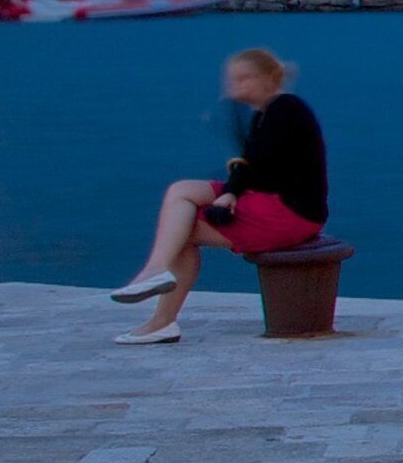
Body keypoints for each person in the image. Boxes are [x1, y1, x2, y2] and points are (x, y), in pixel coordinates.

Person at [108, 48, 326, 344]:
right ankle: (156, 276)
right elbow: (251, 166)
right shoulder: (264, 116)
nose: (235, 87)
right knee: (181, 191)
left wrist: (231, 194)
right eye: (233, 80)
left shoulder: (287, 109)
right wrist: (232, 192)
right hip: (269, 200)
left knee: (181, 231)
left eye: (244, 79)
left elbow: (265, 170)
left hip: (290, 213)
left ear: (268, 78)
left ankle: (162, 313)